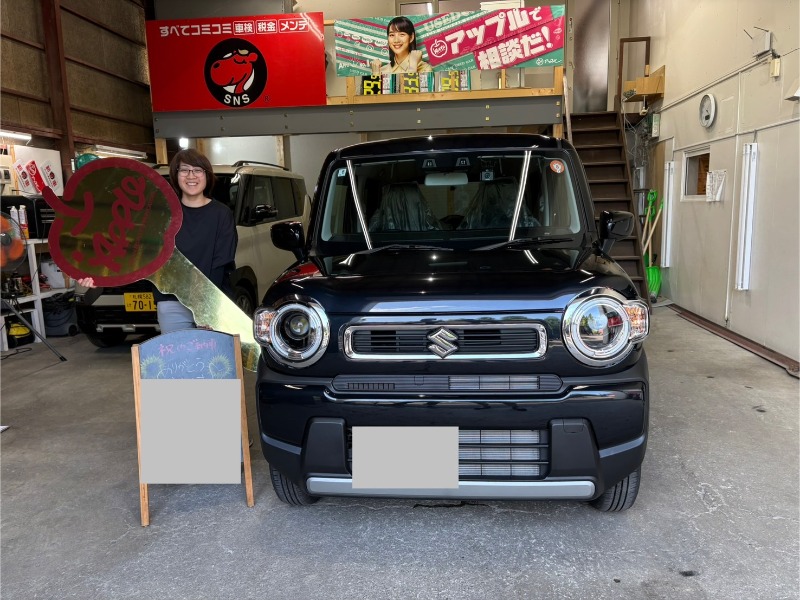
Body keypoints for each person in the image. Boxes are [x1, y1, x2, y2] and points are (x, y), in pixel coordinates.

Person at [77, 148, 237, 334]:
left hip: (212, 303)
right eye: (184, 170)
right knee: (176, 353)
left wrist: (207, 309)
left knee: (212, 352)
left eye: (197, 170)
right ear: (176, 175)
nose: (191, 176)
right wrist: (98, 275)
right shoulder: (162, 214)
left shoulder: (222, 214)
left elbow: (220, 264)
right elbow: (134, 253)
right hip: (172, 303)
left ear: (207, 175)